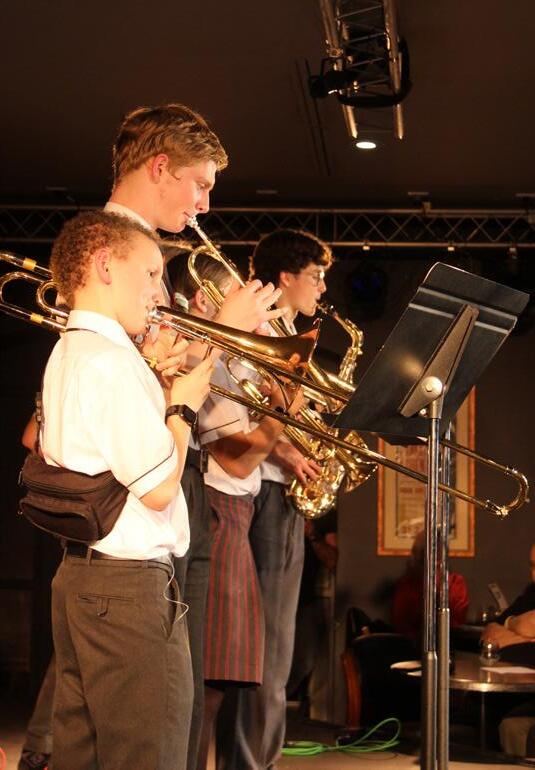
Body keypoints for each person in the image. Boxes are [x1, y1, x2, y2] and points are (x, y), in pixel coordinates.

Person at [18, 102, 284, 770]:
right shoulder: (112, 264)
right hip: (136, 521)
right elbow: (138, 433)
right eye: (200, 185)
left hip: (137, 518)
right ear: (161, 168)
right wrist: (211, 349)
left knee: (135, 718)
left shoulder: (132, 275)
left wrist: (194, 358)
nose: (204, 205)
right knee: (147, 728)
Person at [37, 210, 214, 770]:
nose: (160, 292)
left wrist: (157, 384)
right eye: (151, 273)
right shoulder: (109, 361)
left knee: (82, 754)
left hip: (84, 580)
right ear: (105, 265)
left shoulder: (72, 349)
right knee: (149, 755)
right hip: (128, 592)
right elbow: (159, 488)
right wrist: (183, 405)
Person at [171, 251, 306, 770]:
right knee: (210, 680)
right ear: (205, 301)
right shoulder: (210, 365)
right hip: (218, 512)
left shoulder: (230, 365)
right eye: (236, 297)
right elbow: (239, 457)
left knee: (219, 681)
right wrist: (281, 415)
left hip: (236, 515)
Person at [217, 229, 332, 770]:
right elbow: (234, 406)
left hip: (269, 490)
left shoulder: (286, 332)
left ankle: (258, 757)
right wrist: (286, 446)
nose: (322, 287)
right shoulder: (261, 328)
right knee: (264, 644)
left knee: (274, 646)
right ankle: (250, 760)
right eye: (315, 276)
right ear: (286, 276)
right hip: (256, 487)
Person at [392, 528, 469, 642]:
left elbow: (457, 619)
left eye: (439, 551)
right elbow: (401, 623)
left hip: (450, 643)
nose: (436, 557)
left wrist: (438, 584)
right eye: (430, 550)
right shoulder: (407, 585)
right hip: (412, 645)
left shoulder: (456, 582)